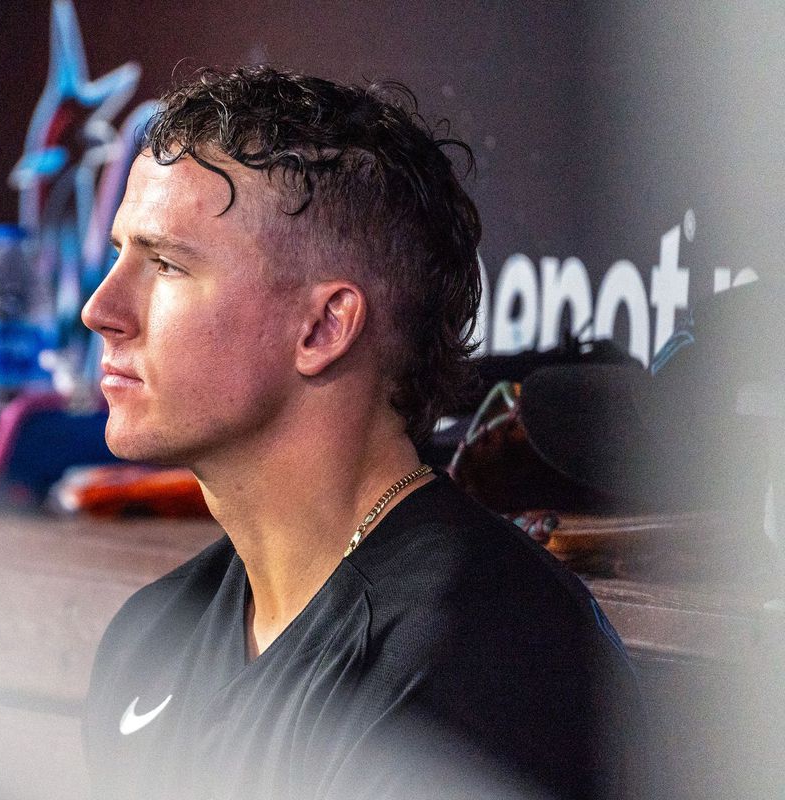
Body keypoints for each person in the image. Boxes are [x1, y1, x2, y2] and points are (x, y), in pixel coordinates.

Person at [80, 66, 646, 800]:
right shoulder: (149, 636)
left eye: (164, 264)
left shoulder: (474, 661)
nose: (101, 308)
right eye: (121, 253)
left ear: (323, 327)